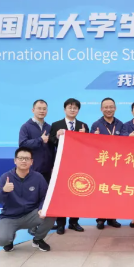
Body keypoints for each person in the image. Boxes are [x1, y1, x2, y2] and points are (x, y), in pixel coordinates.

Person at [0, 147, 55, 252]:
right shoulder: (6, 177)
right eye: (21, 158)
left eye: (27, 158)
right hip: (11, 217)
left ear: (31, 162)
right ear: (15, 160)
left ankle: (38, 239)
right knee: (1, 240)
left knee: (51, 213)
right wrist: (4, 191)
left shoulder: (38, 177)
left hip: (31, 214)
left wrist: (41, 208)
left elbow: (45, 196)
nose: (23, 161)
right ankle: (9, 239)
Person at [49, 98, 90, 234]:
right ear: (64, 109)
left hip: (78, 165)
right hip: (61, 165)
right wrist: (56, 136)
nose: (72, 110)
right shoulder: (56, 125)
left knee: (76, 193)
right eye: (70, 107)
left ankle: (74, 222)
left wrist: (85, 136)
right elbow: (51, 143)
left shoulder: (83, 126)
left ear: (78, 110)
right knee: (61, 194)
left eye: (75, 108)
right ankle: (60, 224)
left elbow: (88, 146)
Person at [90, 97, 124, 230]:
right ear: (101, 109)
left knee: (114, 191)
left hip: (117, 164)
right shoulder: (96, 125)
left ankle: (112, 218)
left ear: (115, 108)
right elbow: (90, 144)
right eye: (106, 107)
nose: (108, 109)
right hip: (102, 164)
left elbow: (126, 143)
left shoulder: (121, 124)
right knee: (102, 192)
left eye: (111, 107)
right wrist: (94, 137)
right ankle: (100, 219)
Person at [18, 99, 54, 182]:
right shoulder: (26, 127)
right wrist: (40, 139)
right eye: (39, 108)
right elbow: (22, 144)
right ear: (33, 110)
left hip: (47, 171)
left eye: (44, 109)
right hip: (32, 169)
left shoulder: (49, 127)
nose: (42, 111)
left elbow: (52, 150)